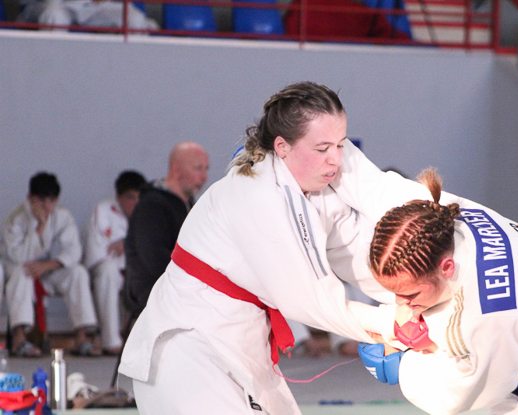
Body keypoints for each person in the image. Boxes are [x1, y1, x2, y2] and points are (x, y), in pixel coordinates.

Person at [119, 82, 399, 414]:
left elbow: (358, 254)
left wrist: (413, 296)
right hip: (187, 350)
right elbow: (308, 299)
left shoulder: (313, 191)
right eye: (323, 148)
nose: (336, 159)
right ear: (282, 147)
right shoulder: (255, 193)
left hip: (237, 347)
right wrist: (393, 324)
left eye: (340, 145)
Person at [335, 159, 518, 414]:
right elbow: (370, 181)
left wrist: (405, 366)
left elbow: (468, 392)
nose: (401, 303)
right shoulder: (445, 217)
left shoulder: (491, 310)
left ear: (446, 267)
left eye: (410, 294)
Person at [0, 172, 101, 357]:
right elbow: (18, 256)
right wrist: (40, 228)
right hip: (19, 271)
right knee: (23, 272)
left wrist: (49, 265)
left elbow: (74, 251)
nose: (46, 206)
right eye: (41, 200)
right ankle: (19, 339)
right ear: (30, 197)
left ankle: (82, 338)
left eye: (51, 200)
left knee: (78, 272)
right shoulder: (16, 217)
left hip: (49, 271)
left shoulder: (63, 216)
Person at [122, 141, 209, 317]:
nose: (204, 176)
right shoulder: (151, 206)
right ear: (176, 170)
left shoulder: (190, 205)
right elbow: (155, 260)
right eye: (198, 168)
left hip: (184, 292)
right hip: (156, 299)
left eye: (206, 169)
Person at [82, 170, 146, 356]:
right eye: (131, 197)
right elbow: (98, 253)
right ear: (118, 197)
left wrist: (129, 244)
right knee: (108, 272)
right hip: (111, 270)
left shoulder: (148, 212)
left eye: (139, 197)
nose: (136, 202)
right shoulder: (103, 211)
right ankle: (111, 341)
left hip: (138, 270)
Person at [17, 0, 158, 31]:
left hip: (94, 6)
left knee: (134, 19)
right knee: (54, 17)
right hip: (54, 4)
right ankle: (50, 72)